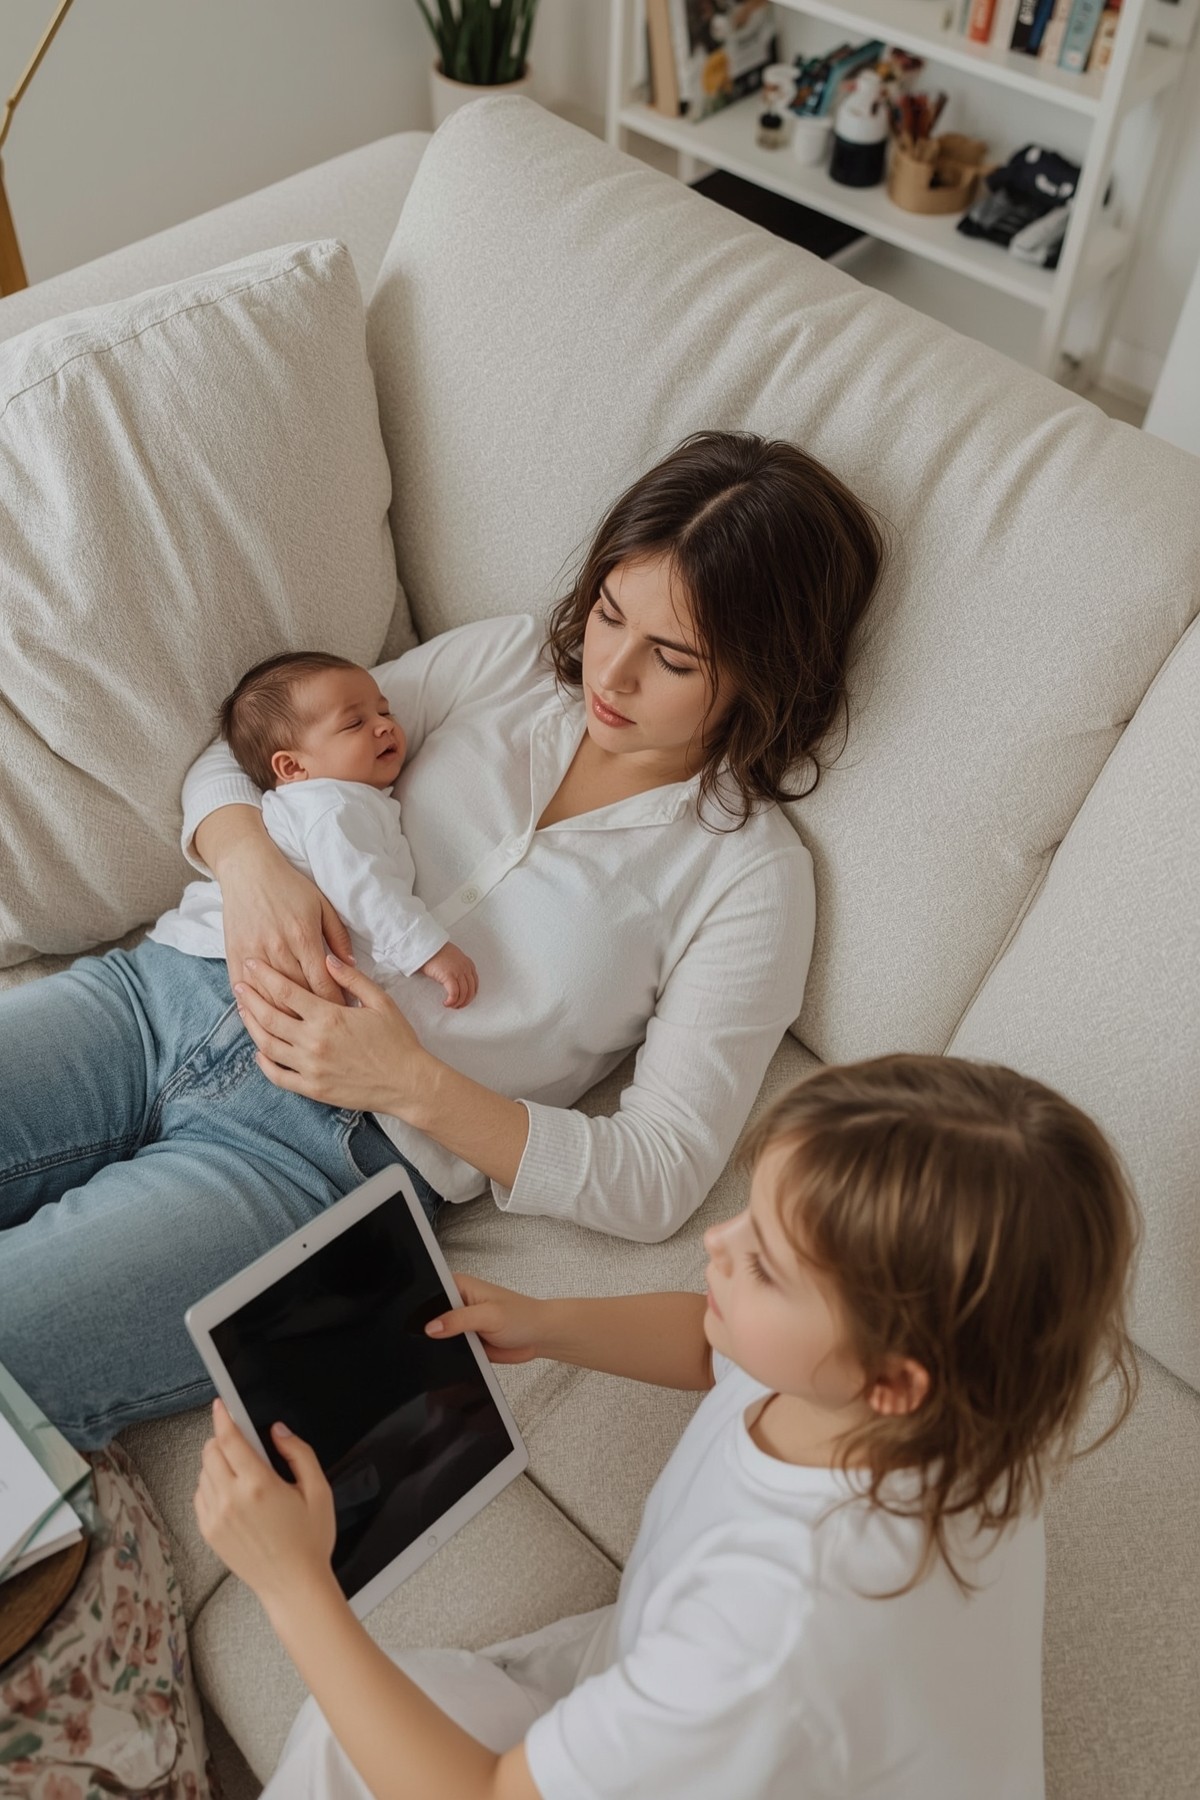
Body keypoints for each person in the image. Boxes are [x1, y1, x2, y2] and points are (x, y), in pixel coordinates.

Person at [0, 430, 884, 1449]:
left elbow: (660, 1173)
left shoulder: (750, 879)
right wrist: (253, 873)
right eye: (607, 612)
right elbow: (247, 751)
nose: (613, 671)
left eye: (674, 658)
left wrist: (410, 1083)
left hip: (306, 1166)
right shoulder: (505, 662)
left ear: (766, 676)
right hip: (161, 993)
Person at [194, 1054, 1140, 1800]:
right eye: (748, 1216)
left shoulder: (775, 1633)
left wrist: (292, 1586)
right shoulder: (954, 1401)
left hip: (738, 1720)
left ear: (895, 1381)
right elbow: (712, 1347)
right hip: (692, 1697)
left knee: (351, 1738)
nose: (714, 1245)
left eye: (764, 1264)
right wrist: (550, 1320)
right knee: (348, 1739)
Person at [150, 651, 480, 1021]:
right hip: (220, 965)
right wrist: (427, 949)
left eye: (385, 712)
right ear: (292, 766)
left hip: (212, 963)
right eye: (354, 723)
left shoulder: (341, 801)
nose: (384, 726)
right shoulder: (332, 805)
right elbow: (361, 885)